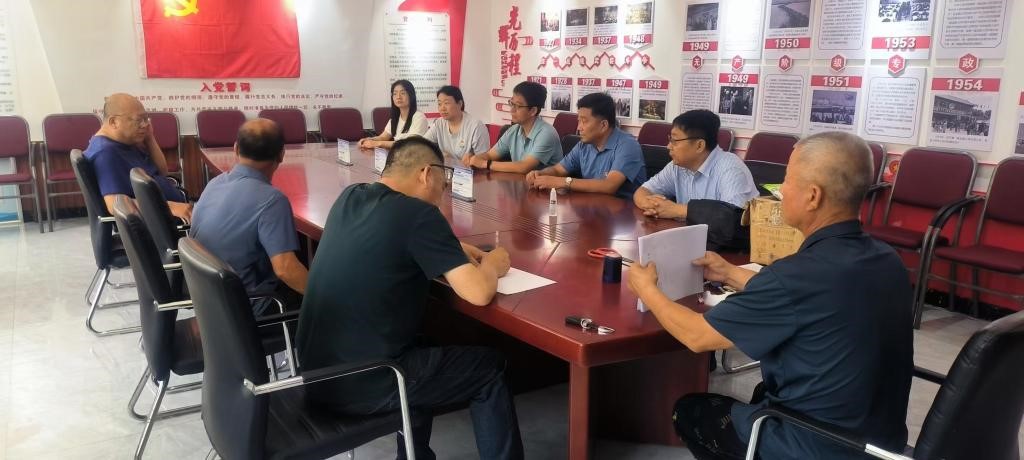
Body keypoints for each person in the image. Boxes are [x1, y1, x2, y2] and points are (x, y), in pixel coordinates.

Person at [627, 131, 913, 460]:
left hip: (815, 444)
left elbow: (698, 336)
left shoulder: (796, 275)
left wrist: (647, 289)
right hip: (880, 442)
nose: (779, 190)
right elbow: (811, 298)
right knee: (762, 391)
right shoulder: (886, 259)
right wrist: (730, 273)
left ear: (813, 196)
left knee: (690, 411)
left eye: (787, 180)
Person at [297, 137, 524, 460]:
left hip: (317, 373)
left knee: (427, 347)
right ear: (427, 174)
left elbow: (396, 236)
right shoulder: (419, 214)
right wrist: (492, 264)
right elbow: (479, 292)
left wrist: (454, 248)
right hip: (365, 383)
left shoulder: (352, 196)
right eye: (443, 184)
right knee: (489, 368)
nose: (442, 195)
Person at [189, 119, 308, 312]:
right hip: (247, 306)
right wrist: (329, 299)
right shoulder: (272, 200)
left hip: (207, 298)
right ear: (282, 154)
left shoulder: (215, 183)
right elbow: (285, 269)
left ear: (235, 148)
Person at [83, 93, 192, 223]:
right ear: (114, 122)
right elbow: (115, 204)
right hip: (162, 220)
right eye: (138, 120)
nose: (144, 125)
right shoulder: (106, 153)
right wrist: (172, 207)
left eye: (146, 119)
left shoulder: (125, 141)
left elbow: (162, 172)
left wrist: (150, 138)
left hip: (174, 210)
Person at [634, 110, 758, 220]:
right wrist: (652, 205)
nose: (668, 146)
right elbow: (643, 191)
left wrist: (677, 210)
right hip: (691, 235)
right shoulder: (677, 166)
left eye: (674, 141)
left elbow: (733, 217)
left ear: (699, 145)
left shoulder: (731, 169)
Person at [525, 92, 646, 198]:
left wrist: (562, 182)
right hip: (593, 207)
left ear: (603, 125)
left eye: (584, 121)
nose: (579, 128)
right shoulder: (584, 144)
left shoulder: (628, 145)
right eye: (579, 121)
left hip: (625, 212)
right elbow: (558, 170)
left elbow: (609, 185)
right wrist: (541, 174)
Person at [462, 80, 562, 173]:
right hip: (520, 184)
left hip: (546, 186)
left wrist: (485, 164)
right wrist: (474, 158)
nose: (512, 110)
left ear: (533, 111)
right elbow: (490, 155)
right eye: (511, 103)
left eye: (518, 106)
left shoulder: (547, 133)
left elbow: (524, 167)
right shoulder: (513, 130)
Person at [422, 85, 490, 163]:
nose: (442, 108)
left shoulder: (476, 126)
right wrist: (439, 154)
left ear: (460, 104)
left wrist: (472, 158)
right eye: (439, 104)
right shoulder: (439, 124)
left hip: (470, 170)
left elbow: (484, 160)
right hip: (446, 169)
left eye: (446, 103)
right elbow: (421, 144)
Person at [359, 79, 428, 149]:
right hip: (398, 154)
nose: (398, 97)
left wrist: (378, 143)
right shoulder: (395, 118)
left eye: (403, 93)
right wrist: (368, 140)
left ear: (411, 95)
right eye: (395, 94)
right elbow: (383, 137)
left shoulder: (419, 117)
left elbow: (410, 144)